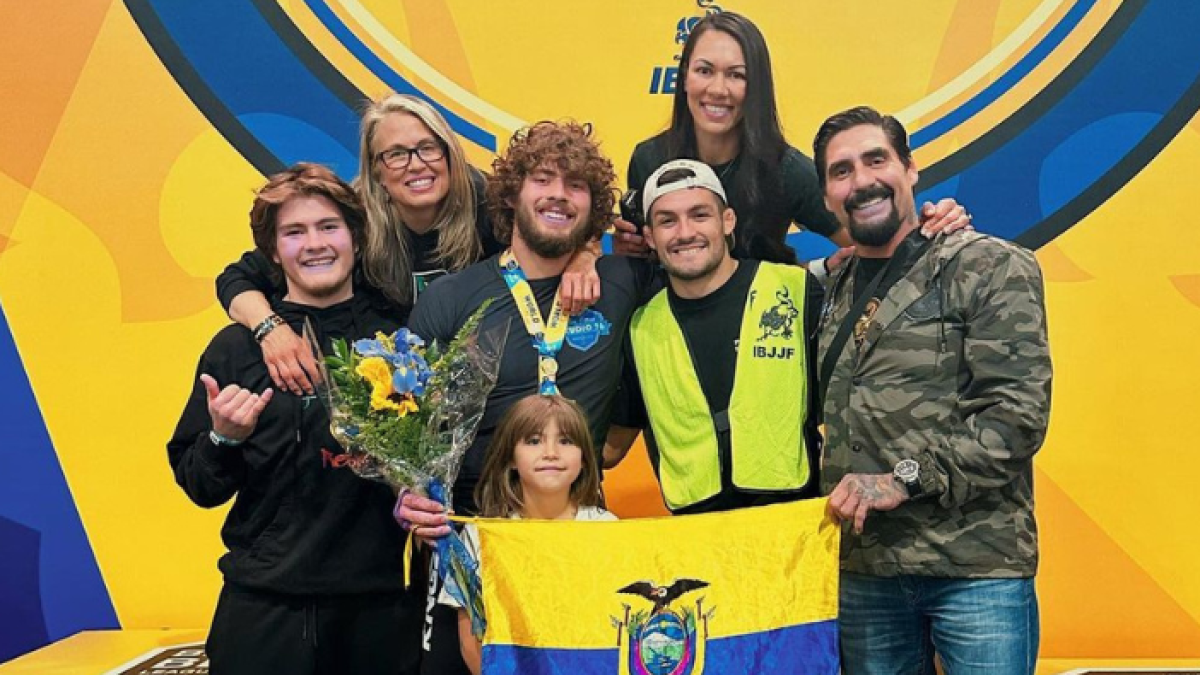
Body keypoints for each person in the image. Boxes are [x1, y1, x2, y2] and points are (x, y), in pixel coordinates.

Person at [396, 120, 655, 675]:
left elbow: (706, 260)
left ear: (594, 210)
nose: (559, 194)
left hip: (577, 543)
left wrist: (589, 253)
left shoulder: (621, 281)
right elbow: (403, 429)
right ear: (513, 194)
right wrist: (406, 491)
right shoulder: (451, 298)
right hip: (469, 543)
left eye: (575, 185)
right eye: (543, 179)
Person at [813, 106, 1051, 675]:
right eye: (842, 171)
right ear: (825, 196)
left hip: (976, 569)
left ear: (910, 168)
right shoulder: (830, 288)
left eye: (876, 160)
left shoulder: (989, 265)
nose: (862, 181)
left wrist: (903, 479)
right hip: (866, 572)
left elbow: (1016, 417)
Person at [167, 164, 421, 674]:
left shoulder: (399, 339)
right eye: (294, 232)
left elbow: (428, 462)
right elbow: (199, 485)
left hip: (377, 611)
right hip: (263, 609)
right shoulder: (237, 348)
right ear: (273, 251)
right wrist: (223, 438)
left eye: (329, 226)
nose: (315, 244)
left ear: (355, 237)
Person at [214, 93, 600, 398]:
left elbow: (560, 225)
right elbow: (236, 279)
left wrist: (584, 258)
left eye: (428, 147)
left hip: (476, 387)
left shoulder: (488, 201)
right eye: (396, 154)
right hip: (386, 391)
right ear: (376, 169)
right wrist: (270, 329)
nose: (416, 165)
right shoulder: (350, 218)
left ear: (449, 153)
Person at [612, 11, 967, 272]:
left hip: (762, 334)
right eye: (704, 71)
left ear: (757, 86)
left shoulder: (786, 170)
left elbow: (877, 239)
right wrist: (627, 249)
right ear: (685, 77)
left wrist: (934, 224)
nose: (718, 89)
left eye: (736, 75)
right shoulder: (649, 159)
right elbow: (643, 258)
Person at [605, 159, 821, 515]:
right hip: (697, 533)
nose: (685, 232)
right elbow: (610, 449)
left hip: (797, 524)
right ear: (650, 237)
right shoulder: (640, 328)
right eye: (667, 221)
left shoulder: (795, 292)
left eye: (700, 215)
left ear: (727, 221)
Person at [439, 394, 616, 675]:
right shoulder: (480, 536)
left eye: (566, 441)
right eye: (534, 441)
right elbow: (471, 640)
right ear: (510, 457)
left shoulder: (608, 530)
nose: (551, 452)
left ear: (584, 458)